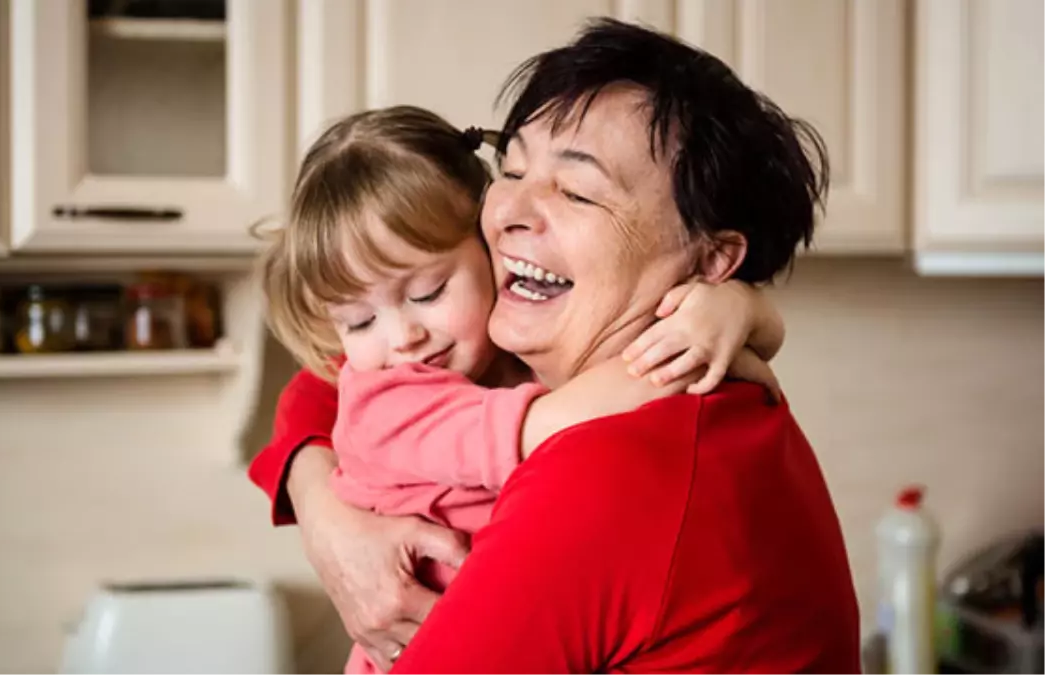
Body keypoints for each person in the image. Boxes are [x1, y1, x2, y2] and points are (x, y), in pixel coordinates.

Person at [252, 18, 860, 673]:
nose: (510, 209)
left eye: (574, 189)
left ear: (710, 257)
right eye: (510, 169)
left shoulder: (611, 470)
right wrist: (321, 509)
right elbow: (334, 381)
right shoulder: (717, 401)